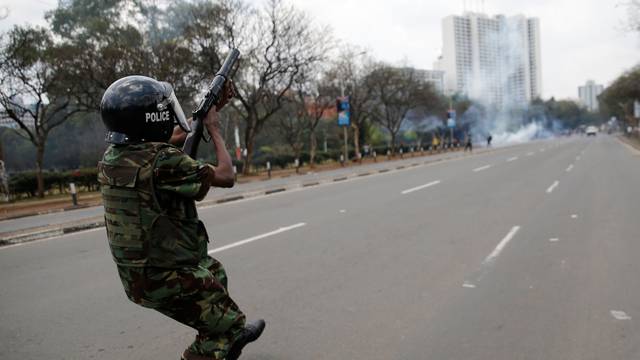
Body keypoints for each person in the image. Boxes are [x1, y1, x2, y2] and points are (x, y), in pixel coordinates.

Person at [97, 75, 265, 360]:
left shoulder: (115, 157)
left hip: (139, 275)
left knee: (214, 272)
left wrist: (204, 113)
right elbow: (226, 176)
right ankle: (222, 336)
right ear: (153, 119)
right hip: (165, 275)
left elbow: (173, 137)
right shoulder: (164, 160)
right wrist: (213, 128)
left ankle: (222, 335)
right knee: (228, 325)